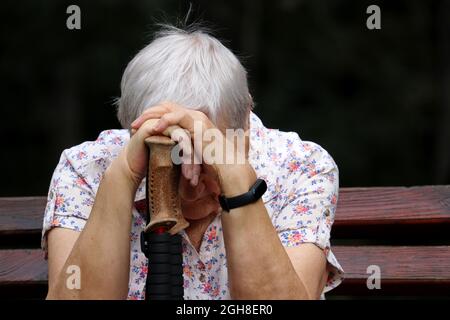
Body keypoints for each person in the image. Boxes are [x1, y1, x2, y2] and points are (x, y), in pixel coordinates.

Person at [42, 25, 344, 300]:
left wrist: (234, 177)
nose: (190, 186)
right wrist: (123, 178)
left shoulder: (300, 165)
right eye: (175, 159)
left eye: (206, 155)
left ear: (246, 119)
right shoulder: (86, 167)